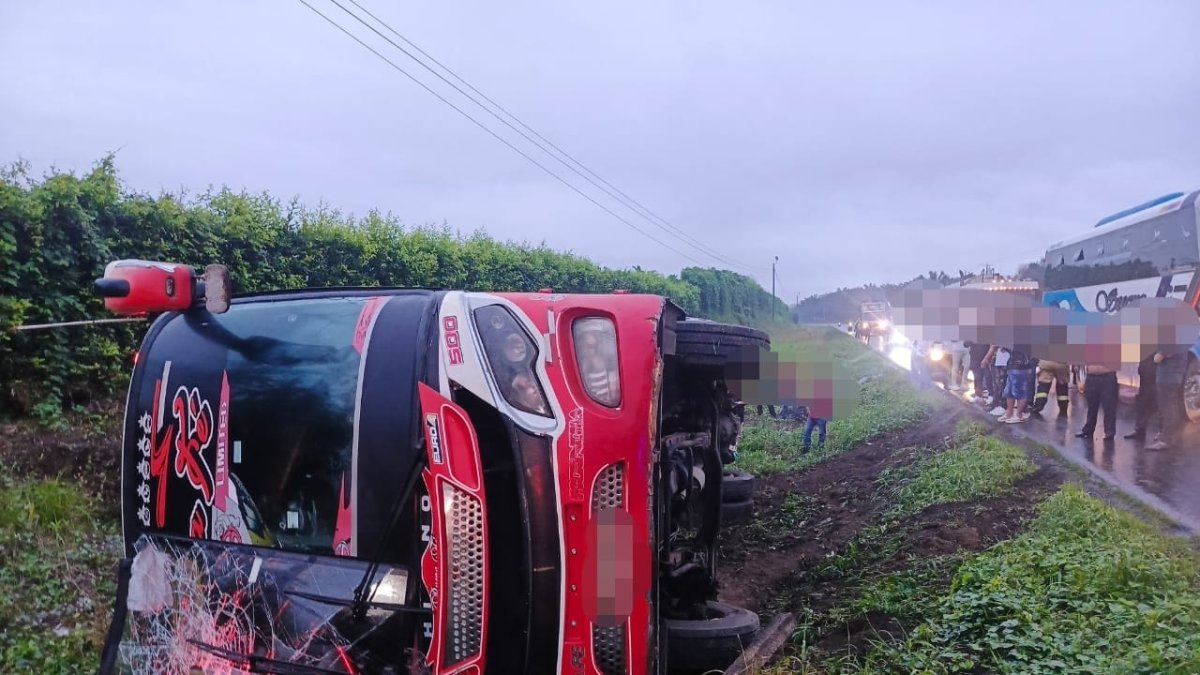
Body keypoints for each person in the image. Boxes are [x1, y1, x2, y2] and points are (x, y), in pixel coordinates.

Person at [1146, 351, 1188, 450]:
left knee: (1167, 409)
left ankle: (1166, 440)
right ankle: (1174, 437)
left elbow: (1158, 358)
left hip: (1167, 378)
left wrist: (1155, 356)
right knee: (1173, 407)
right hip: (1176, 377)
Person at [1076, 363, 1118, 441]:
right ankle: (1088, 430)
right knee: (1091, 405)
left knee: (1109, 406)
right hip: (1091, 376)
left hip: (1107, 375)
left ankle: (1109, 432)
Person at [1125, 353, 1158, 440]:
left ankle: (1162, 433)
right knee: (1143, 401)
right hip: (1145, 371)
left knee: (1157, 401)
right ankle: (1140, 430)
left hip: (1156, 371)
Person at [1000, 346, 1035, 423]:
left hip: (1022, 366)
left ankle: (1019, 415)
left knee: (1020, 392)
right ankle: (1009, 413)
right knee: (1009, 392)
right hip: (1013, 366)